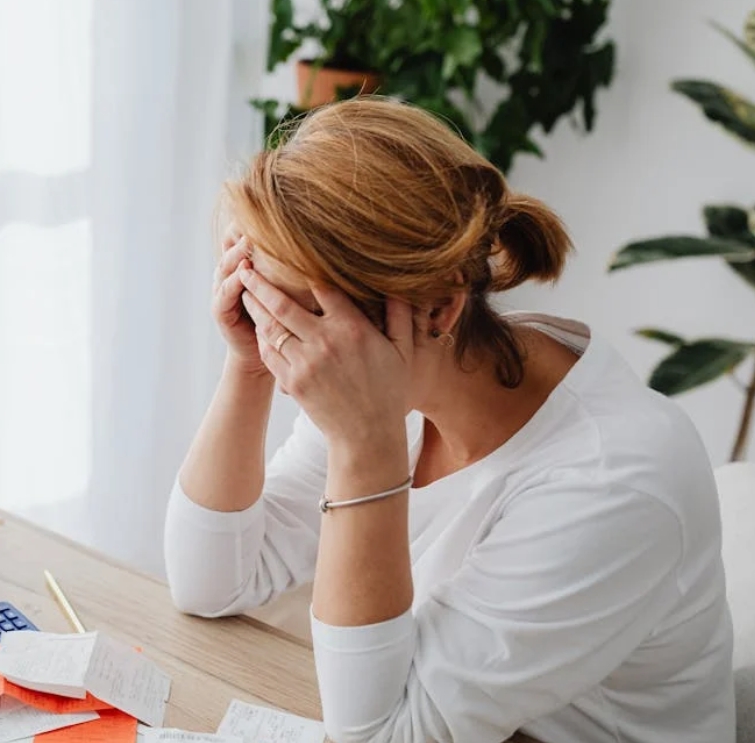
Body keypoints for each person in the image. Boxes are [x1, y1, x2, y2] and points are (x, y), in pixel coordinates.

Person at [164, 97, 735, 743]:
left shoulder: (614, 480)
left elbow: (382, 737)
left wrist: (365, 446)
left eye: (296, 318)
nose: (282, 347)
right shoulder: (398, 370)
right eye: (257, 300)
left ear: (436, 310)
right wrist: (247, 367)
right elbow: (210, 583)